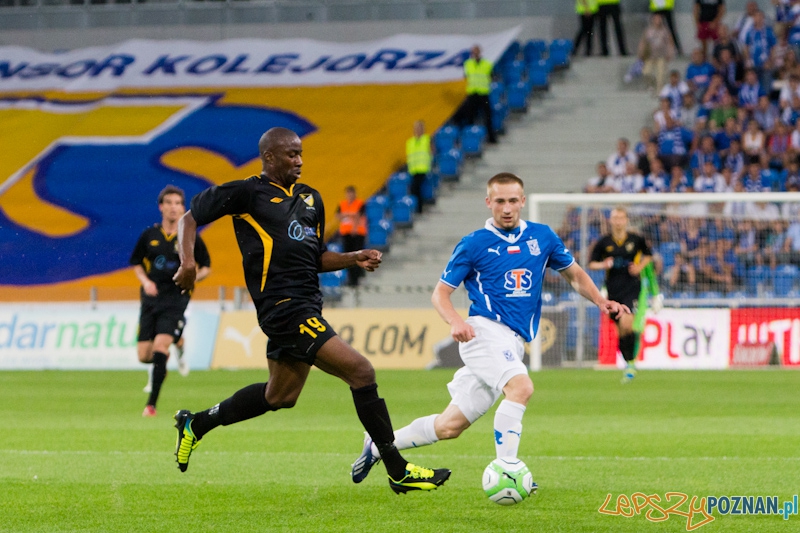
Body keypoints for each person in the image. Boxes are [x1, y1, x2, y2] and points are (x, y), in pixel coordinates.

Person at [171, 127, 450, 494]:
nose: (299, 161)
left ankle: (196, 424)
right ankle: (397, 469)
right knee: (361, 371)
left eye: (301, 153)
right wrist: (188, 262)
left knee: (279, 396)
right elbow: (188, 219)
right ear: (269, 157)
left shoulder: (310, 199)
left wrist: (353, 257)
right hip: (282, 308)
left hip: (306, 304)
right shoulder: (246, 193)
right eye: (291, 154)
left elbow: (313, 256)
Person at [350, 172, 629, 484]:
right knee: (521, 388)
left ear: (522, 201)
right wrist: (455, 321)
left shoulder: (543, 237)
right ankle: (507, 469)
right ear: (488, 203)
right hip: (483, 332)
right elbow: (440, 293)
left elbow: (574, 274)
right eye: (500, 201)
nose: (506, 208)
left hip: (512, 341)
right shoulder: (474, 244)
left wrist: (600, 301)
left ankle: (377, 446)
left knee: (449, 426)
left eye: (512, 200)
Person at [130, 185, 211, 417]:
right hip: (151, 299)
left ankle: (151, 405)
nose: (174, 208)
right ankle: (179, 340)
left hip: (176, 299)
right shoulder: (149, 235)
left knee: (159, 347)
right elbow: (136, 263)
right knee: (145, 355)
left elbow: (206, 267)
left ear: (183, 208)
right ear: (161, 207)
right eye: (169, 203)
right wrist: (145, 281)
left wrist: (191, 277)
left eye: (178, 203)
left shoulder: (191, 236)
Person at [588, 207, 653, 383]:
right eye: (615, 218)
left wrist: (639, 267)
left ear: (626, 220)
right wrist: (604, 265)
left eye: (621, 217)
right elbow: (591, 263)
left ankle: (630, 362)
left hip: (632, 287)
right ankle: (628, 362)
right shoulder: (604, 242)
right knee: (620, 329)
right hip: (612, 289)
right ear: (611, 220)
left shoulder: (636, 239)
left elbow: (648, 256)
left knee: (627, 321)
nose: (618, 221)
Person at [460, 45, 497, 144]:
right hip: (472, 93)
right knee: (470, 117)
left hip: (483, 93)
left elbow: (492, 76)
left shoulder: (487, 64)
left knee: (488, 116)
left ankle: (491, 137)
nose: (475, 53)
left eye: (476, 51)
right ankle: (470, 139)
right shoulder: (468, 64)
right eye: (473, 51)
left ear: (480, 52)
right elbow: (466, 78)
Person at [336, 185, 367, 287]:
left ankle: (357, 278)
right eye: (348, 193)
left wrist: (353, 226)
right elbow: (338, 215)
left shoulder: (359, 203)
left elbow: (359, 215)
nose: (349, 195)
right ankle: (351, 278)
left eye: (351, 193)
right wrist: (350, 214)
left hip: (357, 233)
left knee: (357, 256)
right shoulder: (342, 204)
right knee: (348, 257)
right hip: (346, 233)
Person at [638, 14, 676, 93]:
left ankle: (659, 92)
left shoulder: (665, 31)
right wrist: (641, 53)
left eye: (659, 19)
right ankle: (653, 84)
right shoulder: (648, 31)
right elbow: (643, 42)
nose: (658, 21)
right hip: (650, 56)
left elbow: (670, 43)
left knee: (661, 74)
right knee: (646, 72)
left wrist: (670, 53)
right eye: (656, 19)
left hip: (661, 56)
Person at [406, 120, 433, 213]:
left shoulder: (427, 139)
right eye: (416, 128)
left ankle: (419, 209)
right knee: (414, 189)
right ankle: (417, 208)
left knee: (416, 188)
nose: (417, 130)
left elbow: (431, 152)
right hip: (413, 170)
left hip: (423, 169)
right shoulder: (410, 142)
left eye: (419, 128)